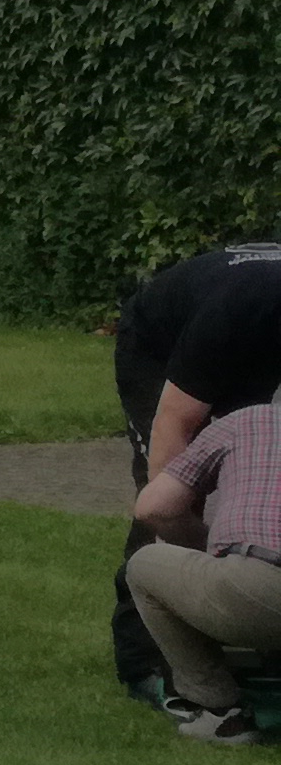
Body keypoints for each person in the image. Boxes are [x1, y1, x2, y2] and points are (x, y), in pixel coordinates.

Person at [108, 239, 281, 699]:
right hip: (158, 350)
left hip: (256, 342)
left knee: (258, 468)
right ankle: (150, 660)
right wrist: (191, 548)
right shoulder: (238, 310)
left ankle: (257, 628)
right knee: (170, 495)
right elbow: (174, 423)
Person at [123, 397, 281, 743]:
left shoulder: (245, 422)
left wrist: (208, 548)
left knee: (145, 566)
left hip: (256, 587)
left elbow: (153, 507)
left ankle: (221, 711)